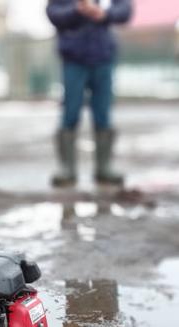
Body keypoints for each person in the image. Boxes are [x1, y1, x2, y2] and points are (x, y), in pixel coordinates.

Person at [46, 0, 132, 187]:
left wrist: (105, 14)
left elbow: (125, 10)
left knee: (103, 114)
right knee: (70, 113)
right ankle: (67, 168)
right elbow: (53, 13)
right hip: (73, 59)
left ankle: (104, 167)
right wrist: (76, 10)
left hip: (103, 57)